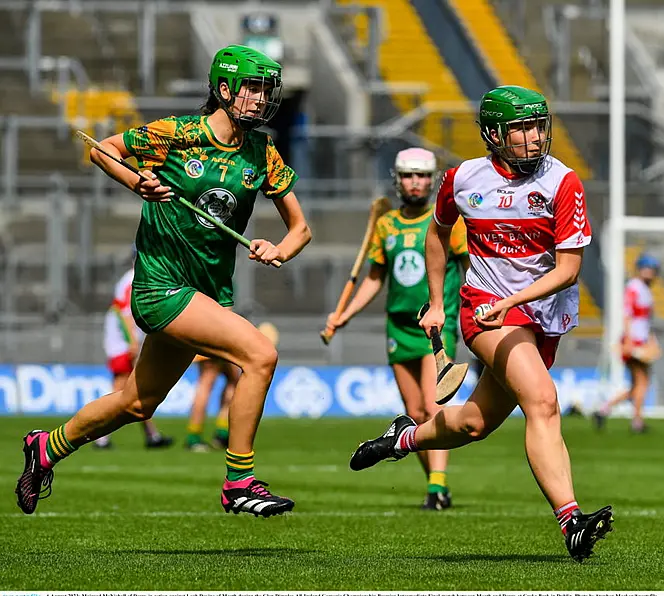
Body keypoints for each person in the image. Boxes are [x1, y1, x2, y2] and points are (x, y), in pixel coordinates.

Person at [15, 45, 311, 519]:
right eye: (252, 88)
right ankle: (239, 481)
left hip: (204, 294)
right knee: (260, 354)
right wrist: (139, 184)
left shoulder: (262, 150)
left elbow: (301, 228)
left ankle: (45, 448)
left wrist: (279, 248)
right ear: (224, 89)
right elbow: (103, 149)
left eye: (264, 90)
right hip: (161, 289)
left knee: (137, 403)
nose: (259, 99)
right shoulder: (179, 134)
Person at [349, 86, 613, 561]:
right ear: (493, 134)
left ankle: (401, 438)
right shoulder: (462, 179)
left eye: (538, 126)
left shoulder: (563, 181)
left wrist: (513, 299)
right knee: (543, 401)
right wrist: (437, 303)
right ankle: (571, 520)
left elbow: (568, 270)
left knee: (473, 423)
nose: (534, 138)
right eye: (521, 129)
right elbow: (436, 233)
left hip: (539, 313)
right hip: (485, 308)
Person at [325, 148, 469, 510]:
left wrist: (472, 309)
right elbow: (375, 278)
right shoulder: (386, 224)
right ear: (398, 179)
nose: (415, 182)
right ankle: (436, 487)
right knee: (414, 413)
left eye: (422, 176)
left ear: (432, 179)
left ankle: (437, 486)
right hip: (398, 326)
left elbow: (470, 269)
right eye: (408, 175)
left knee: (431, 405)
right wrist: (347, 314)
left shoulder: (446, 221)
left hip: (436, 323)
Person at [95, 247, 173, 450]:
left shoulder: (133, 279)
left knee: (135, 388)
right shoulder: (131, 281)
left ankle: (152, 435)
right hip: (122, 342)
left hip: (123, 340)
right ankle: (100, 437)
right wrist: (132, 342)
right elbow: (125, 314)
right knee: (121, 388)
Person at [186, 322, 278, 452]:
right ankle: (197, 437)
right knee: (207, 382)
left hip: (203, 330)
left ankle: (216, 433)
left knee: (230, 380)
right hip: (217, 333)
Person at [594, 253, 660, 433]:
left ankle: (604, 409)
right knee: (642, 382)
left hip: (641, 339)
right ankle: (637, 422)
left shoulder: (644, 289)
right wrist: (630, 341)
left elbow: (647, 320)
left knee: (637, 384)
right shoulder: (634, 288)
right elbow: (628, 315)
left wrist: (651, 339)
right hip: (635, 340)